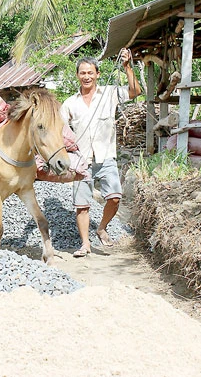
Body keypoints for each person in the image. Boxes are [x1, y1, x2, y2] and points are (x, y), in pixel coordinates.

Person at [60, 48, 141, 257]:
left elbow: (135, 92)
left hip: (106, 156)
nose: (86, 76)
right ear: (77, 75)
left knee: (114, 198)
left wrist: (127, 67)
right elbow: (59, 129)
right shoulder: (70, 103)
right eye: (82, 73)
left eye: (90, 73)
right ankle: (85, 244)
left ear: (97, 74)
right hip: (81, 160)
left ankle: (102, 227)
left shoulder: (109, 94)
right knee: (82, 205)